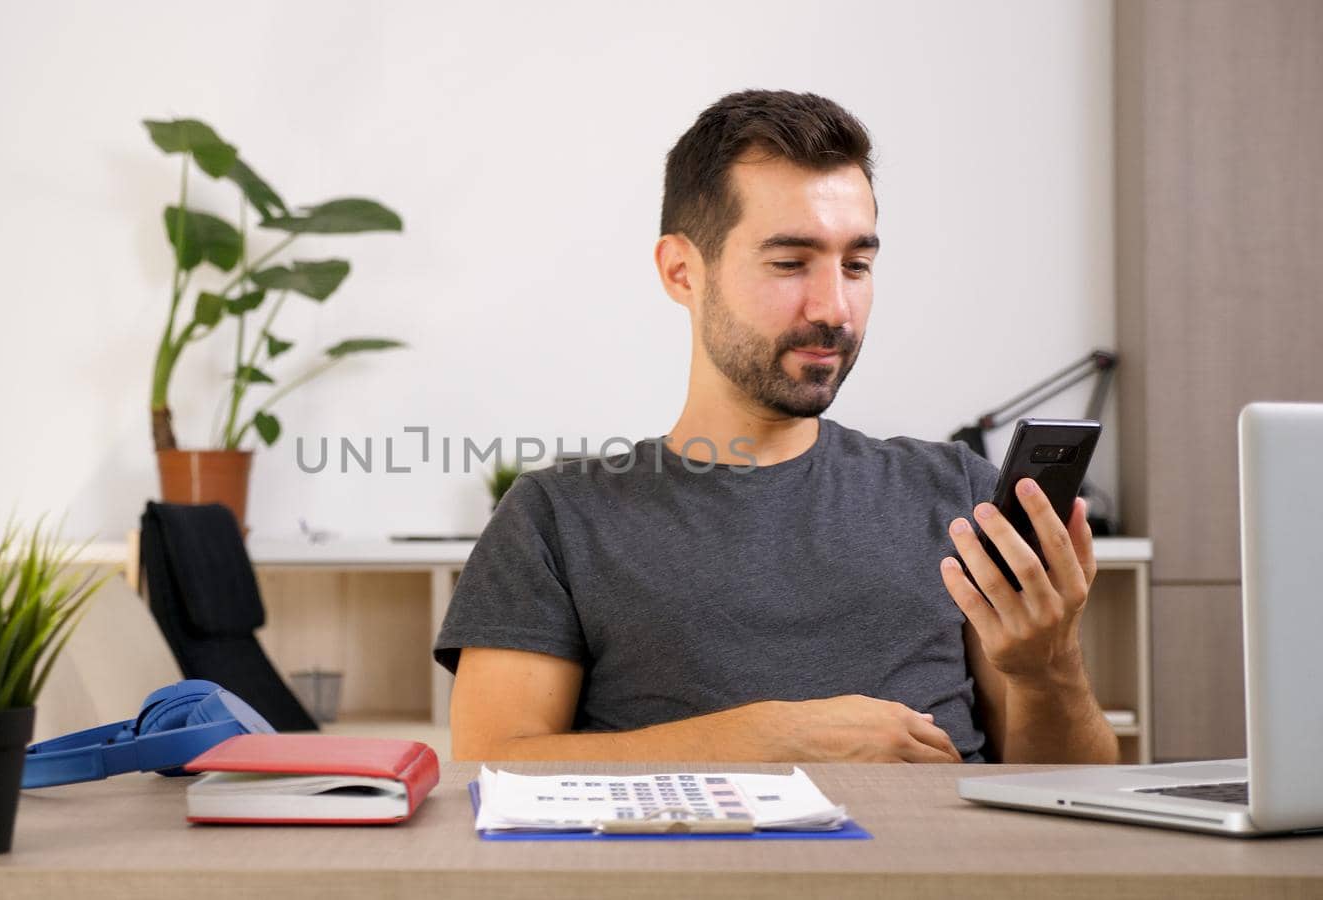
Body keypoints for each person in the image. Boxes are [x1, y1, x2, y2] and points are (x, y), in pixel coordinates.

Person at [434, 90, 1117, 764]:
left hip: (941, 879)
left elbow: (1067, 801)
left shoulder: (962, 496)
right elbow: (494, 767)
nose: (834, 307)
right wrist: (764, 741)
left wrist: (1044, 667)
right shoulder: (557, 519)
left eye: (856, 265)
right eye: (790, 263)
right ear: (681, 271)